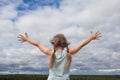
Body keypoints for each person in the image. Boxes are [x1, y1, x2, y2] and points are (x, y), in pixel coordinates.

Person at [18, 31, 101, 80]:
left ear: (53, 43)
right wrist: (91, 38)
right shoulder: (69, 52)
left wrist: (27, 39)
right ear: (65, 44)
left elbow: (37, 44)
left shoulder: (50, 53)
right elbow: (82, 44)